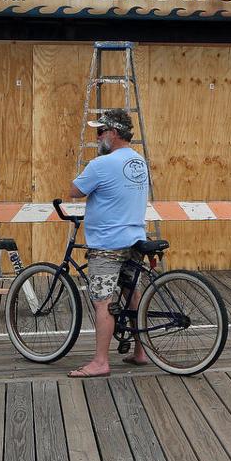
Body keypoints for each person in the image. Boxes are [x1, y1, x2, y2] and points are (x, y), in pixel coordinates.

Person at [67, 107, 150, 378]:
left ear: (113, 133)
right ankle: (140, 350)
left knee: (102, 301)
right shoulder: (139, 161)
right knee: (132, 294)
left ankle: (100, 362)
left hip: (106, 244)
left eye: (100, 131)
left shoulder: (101, 164)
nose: (97, 136)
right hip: (135, 239)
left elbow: (75, 191)